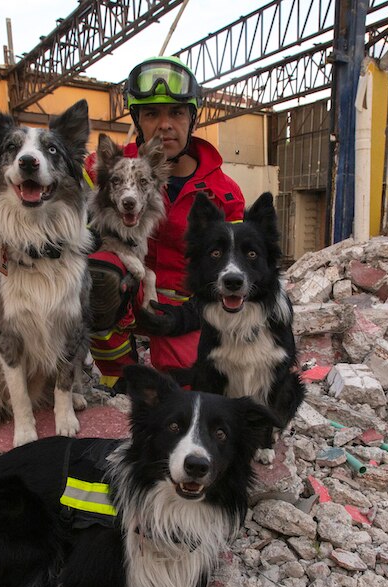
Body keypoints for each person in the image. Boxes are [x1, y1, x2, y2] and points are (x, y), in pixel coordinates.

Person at [87, 56, 245, 389]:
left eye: (176, 112)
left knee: (186, 388)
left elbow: (234, 269)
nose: (164, 125)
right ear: (137, 119)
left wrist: (182, 318)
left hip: (186, 306)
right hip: (125, 289)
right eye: (151, 114)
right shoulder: (108, 167)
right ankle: (118, 374)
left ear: (192, 118)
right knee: (100, 275)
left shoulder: (224, 194)